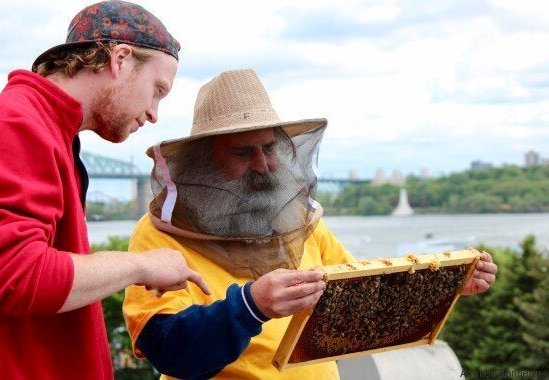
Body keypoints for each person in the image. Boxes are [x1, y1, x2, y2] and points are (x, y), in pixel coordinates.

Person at [123, 69, 498, 379]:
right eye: (243, 152)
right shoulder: (158, 234)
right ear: (203, 163)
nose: (264, 165)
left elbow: (357, 303)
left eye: (269, 148)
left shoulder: (299, 221)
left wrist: (441, 285)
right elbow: (168, 349)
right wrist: (251, 306)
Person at [0, 1, 210, 379]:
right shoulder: (14, 123)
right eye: (157, 90)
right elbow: (18, 278)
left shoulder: (46, 128)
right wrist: (139, 264)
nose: (155, 113)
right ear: (120, 59)